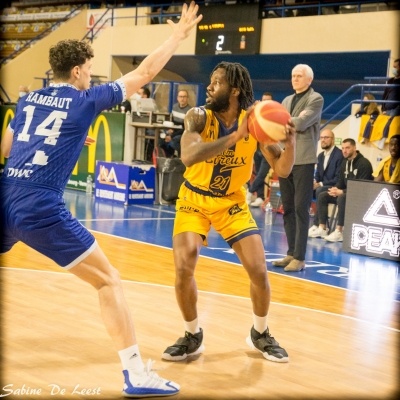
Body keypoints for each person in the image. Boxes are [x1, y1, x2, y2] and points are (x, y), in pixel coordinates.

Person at [0, 2, 202, 398]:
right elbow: (145, 73)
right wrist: (177, 35)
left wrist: (66, 139)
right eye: (90, 69)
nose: (91, 75)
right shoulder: (86, 99)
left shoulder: (26, 100)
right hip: (40, 206)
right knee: (109, 280)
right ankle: (135, 373)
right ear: (77, 71)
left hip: (6, 194)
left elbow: (8, 148)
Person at [161, 61, 296, 364]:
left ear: (234, 90)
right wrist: (235, 137)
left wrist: (291, 142)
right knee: (184, 266)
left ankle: (260, 333)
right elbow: (189, 156)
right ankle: (192, 335)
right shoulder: (198, 116)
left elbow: (283, 169)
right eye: (210, 81)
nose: (209, 87)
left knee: (258, 270)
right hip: (194, 199)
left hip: (231, 201)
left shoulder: (255, 122)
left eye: (217, 82)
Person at [272, 64, 324, 272]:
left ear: (309, 80)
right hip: (287, 159)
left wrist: (282, 120)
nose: (295, 79)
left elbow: (300, 123)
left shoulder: (316, 98)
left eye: (299, 76)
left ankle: (300, 258)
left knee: (301, 209)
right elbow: (281, 125)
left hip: (304, 160)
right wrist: (284, 121)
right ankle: (291, 253)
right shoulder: (286, 100)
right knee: (288, 208)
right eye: (293, 75)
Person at [311, 138, 373, 242]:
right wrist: (335, 189)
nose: (344, 151)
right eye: (343, 148)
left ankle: (339, 231)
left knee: (342, 197)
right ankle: (322, 228)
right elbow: (341, 181)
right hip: (346, 194)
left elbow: (361, 187)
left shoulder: (364, 163)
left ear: (354, 148)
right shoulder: (345, 162)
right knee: (323, 195)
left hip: (360, 197)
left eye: (347, 148)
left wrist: (342, 192)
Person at [308, 129, 344, 235]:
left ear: (333, 140)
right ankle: (301, 222)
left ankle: (317, 225)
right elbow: (318, 175)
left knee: (319, 190)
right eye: (322, 138)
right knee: (305, 188)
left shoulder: (339, 155)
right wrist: (315, 181)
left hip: (335, 186)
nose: (323, 140)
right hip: (322, 186)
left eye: (326, 137)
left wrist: (320, 184)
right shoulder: (320, 156)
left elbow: (338, 178)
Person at [246, 92, 273, 207]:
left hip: (268, 150)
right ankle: (260, 197)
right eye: (263, 100)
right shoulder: (256, 114)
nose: (265, 102)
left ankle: (249, 192)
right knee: (257, 173)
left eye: (268, 100)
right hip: (257, 148)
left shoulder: (274, 115)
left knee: (262, 173)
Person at [161, 89, 191, 157]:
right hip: (174, 130)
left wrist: (171, 136)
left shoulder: (190, 110)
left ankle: (183, 155)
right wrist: (169, 130)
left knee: (173, 142)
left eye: (184, 97)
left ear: (187, 98)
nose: (182, 99)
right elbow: (172, 122)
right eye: (180, 96)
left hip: (183, 133)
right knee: (161, 139)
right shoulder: (174, 107)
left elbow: (185, 128)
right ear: (177, 98)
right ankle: (168, 157)